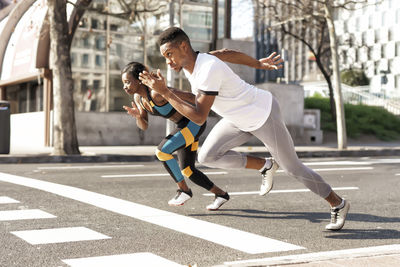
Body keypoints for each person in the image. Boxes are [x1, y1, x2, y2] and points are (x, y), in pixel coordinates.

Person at [138, 27, 350, 231]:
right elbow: (226, 53)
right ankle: (265, 165)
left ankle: (337, 203)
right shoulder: (195, 62)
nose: (167, 61)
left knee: (293, 167)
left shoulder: (207, 68)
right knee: (207, 156)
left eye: (169, 54)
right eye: (165, 56)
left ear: (183, 46)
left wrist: (165, 93)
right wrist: (258, 64)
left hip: (262, 114)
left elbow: (200, 115)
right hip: (237, 119)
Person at [122, 62, 234, 210]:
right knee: (188, 169)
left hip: (194, 123)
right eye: (123, 83)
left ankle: (184, 190)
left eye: (128, 82)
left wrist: (206, 110)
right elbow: (144, 126)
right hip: (184, 126)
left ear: (139, 80)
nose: (125, 86)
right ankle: (221, 194)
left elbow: (190, 96)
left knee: (162, 151)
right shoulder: (139, 99)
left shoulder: (156, 92)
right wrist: (138, 117)